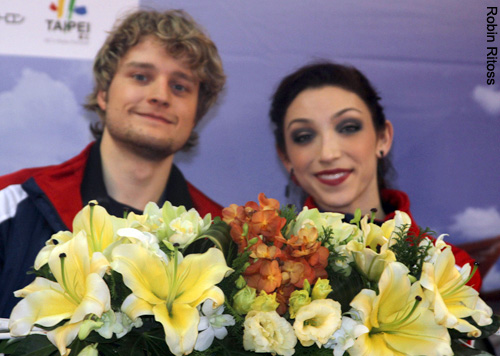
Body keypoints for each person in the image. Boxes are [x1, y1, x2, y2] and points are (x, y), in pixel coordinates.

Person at [0, 9, 226, 318]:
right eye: (141, 76)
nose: (160, 95)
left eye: (180, 86)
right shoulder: (10, 202)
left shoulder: (222, 236)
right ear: (104, 94)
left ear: (196, 113)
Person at [269, 61, 482, 290]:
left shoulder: (450, 270)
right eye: (304, 136)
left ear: (383, 138)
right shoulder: (269, 269)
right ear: (286, 158)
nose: (328, 154)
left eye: (348, 127)